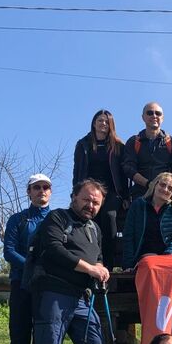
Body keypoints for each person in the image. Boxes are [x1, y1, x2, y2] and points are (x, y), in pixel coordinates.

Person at [29, 179, 113, 344]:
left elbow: (97, 257)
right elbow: (54, 249)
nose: (90, 205)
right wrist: (90, 268)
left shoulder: (94, 229)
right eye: (86, 199)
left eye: (96, 202)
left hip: (82, 298)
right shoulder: (57, 218)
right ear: (74, 196)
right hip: (53, 291)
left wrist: (102, 269)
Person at [1, 173, 53, 344]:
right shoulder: (18, 219)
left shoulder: (57, 218)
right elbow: (9, 251)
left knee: (43, 336)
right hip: (21, 284)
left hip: (48, 286)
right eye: (36, 187)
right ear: (29, 192)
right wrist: (32, 268)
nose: (41, 191)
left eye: (45, 187)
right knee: (20, 333)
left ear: (50, 191)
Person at [73, 109, 128, 269]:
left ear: (111, 125)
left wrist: (125, 196)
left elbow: (123, 174)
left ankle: (108, 265)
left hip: (112, 192)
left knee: (109, 217)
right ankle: (91, 263)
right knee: (90, 221)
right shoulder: (83, 144)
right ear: (94, 123)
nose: (103, 123)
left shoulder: (118, 146)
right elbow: (77, 171)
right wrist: (75, 193)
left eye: (106, 121)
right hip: (89, 191)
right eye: (100, 120)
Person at [120, 172, 172, 270]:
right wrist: (128, 265)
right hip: (146, 256)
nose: (165, 189)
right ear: (155, 185)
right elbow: (129, 236)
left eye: (170, 188)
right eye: (162, 184)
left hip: (170, 255)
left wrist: (169, 253)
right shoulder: (138, 205)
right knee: (150, 264)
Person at [122, 102, 172, 201]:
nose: (154, 116)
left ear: (162, 118)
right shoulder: (133, 141)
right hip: (139, 194)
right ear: (143, 117)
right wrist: (148, 184)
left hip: (165, 195)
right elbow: (129, 168)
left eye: (158, 113)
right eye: (150, 113)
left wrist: (162, 186)